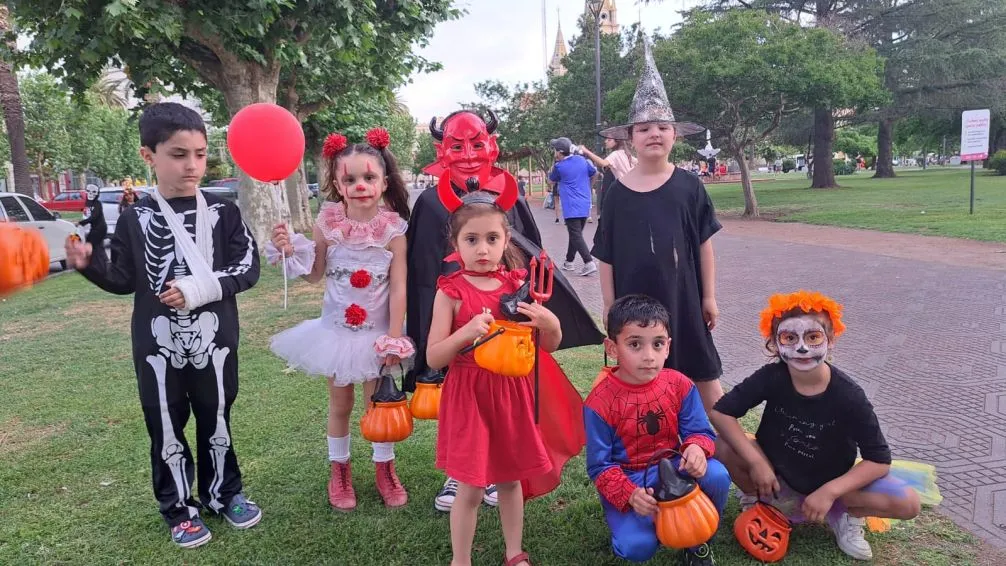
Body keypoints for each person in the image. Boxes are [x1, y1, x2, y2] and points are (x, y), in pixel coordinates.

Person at [64, 102, 261, 549]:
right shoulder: (135, 217)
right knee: (165, 425)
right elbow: (123, 279)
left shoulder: (223, 210)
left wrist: (197, 291)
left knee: (217, 418)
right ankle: (178, 507)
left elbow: (248, 267)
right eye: (178, 154)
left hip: (216, 342)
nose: (192, 165)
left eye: (200, 153)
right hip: (157, 346)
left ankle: (224, 493)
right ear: (148, 155)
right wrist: (88, 264)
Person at [407, 110, 603, 512]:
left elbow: (529, 251)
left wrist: (525, 301)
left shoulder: (507, 191)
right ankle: (461, 472)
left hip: (504, 305)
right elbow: (422, 268)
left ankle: (505, 468)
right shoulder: (430, 201)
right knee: (460, 391)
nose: (466, 154)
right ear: (441, 149)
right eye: (456, 145)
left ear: (491, 145)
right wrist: (428, 321)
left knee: (508, 388)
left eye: (476, 143)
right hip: (454, 305)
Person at [427, 178, 582, 566]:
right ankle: (460, 559)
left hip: (512, 392)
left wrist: (551, 323)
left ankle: (515, 552)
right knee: (472, 486)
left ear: (506, 239)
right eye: (472, 239)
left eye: (492, 239)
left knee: (511, 478)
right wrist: (465, 333)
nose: (483, 249)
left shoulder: (518, 287)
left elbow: (546, 347)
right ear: (456, 243)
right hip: (469, 395)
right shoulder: (450, 292)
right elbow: (433, 358)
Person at [711, 291, 923, 561]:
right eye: (790, 338)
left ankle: (846, 515)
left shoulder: (850, 396)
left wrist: (830, 491)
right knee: (722, 445)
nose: (802, 348)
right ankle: (758, 498)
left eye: (813, 337)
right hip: (776, 477)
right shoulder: (772, 377)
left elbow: (879, 461)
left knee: (908, 503)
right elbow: (721, 413)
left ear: (831, 340)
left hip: (833, 484)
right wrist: (757, 462)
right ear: (775, 345)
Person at [266, 128, 415, 512]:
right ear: (336, 182)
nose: (360, 186)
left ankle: (385, 469)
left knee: (378, 404)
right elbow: (315, 274)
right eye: (350, 179)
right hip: (335, 333)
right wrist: (289, 250)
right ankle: (340, 470)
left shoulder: (394, 229)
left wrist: (394, 338)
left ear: (384, 182)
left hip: (378, 335)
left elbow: (399, 288)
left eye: (368, 178)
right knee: (340, 403)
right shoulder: (328, 223)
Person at [592, 38, 724, 411]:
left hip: (684, 297)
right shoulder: (616, 192)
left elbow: (703, 244)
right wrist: (607, 303)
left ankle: (734, 454)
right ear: (631, 139)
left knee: (705, 380)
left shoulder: (689, 185)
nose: (654, 133)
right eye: (644, 127)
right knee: (644, 382)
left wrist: (708, 296)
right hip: (636, 301)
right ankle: (654, 449)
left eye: (663, 126)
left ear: (674, 135)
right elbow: (606, 253)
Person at [585, 295, 729, 565]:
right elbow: (599, 466)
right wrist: (629, 495)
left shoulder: (679, 384)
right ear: (612, 347)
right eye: (635, 344)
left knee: (717, 475)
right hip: (631, 478)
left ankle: (697, 539)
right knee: (637, 548)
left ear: (667, 348)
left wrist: (696, 448)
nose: (649, 356)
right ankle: (637, 525)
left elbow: (700, 431)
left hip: (674, 465)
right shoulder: (599, 403)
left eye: (657, 344)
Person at [548, 136, 598, 276]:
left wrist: (555, 165)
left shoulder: (559, 166)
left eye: (555, 150)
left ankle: (588, 262)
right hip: (585, 203)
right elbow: (594, 173)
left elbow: (550, 181)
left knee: (575, 235)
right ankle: (569, 262)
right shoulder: (582, 161)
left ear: (559, 152)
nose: (554, 153)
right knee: (576, 234)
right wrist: (589, 186)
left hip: (571, 205)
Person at [580, 137, 637, 221]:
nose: (605, 141)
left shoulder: (616, 154)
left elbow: (603, 163)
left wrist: (586, 151)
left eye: (609, 140)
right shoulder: (626, 154)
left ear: (617, 142)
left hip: (624, 191)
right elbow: (638, 163)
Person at [77, 184, 107, 248]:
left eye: (93, 192)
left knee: (90, 245)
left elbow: (94, 217)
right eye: (88, 191)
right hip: (95, 228)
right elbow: (88, 215)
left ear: (97, 194)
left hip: (99, 229)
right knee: (96, 247)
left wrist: (81, 222)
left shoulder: (97, 203)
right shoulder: (90, 203)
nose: (90, 194)